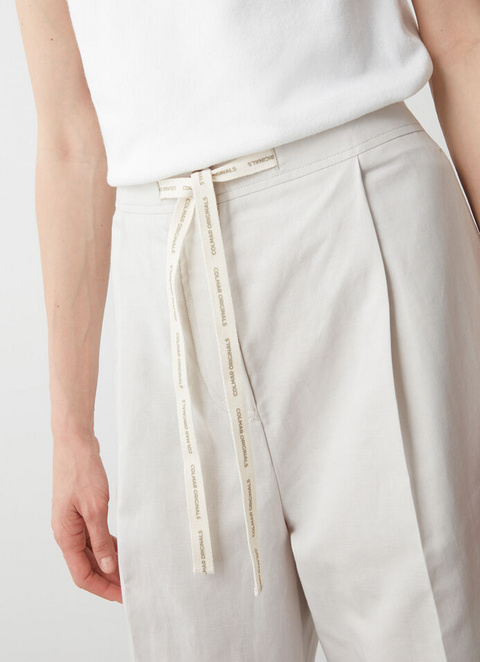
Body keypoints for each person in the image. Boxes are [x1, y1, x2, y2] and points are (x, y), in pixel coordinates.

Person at [14, 0, 480, 660]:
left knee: (426, 630)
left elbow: (462, 40)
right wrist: (70, 432)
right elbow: (69, 135)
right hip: (164, 264)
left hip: (362, 201)